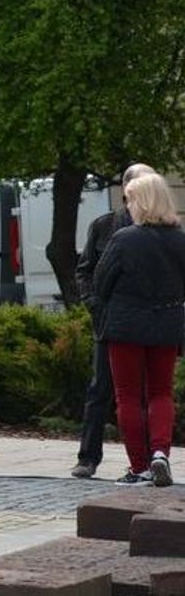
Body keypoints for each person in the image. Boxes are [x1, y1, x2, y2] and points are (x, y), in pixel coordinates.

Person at [93, 172, 183, 488]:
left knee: (128, 396)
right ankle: (160, 452)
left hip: (126, 325)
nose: (128, 206)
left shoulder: (124, 239)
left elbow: (101, 283)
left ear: (140, 202)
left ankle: (140, 467)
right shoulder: (180, 240)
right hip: (168, 324)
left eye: (130, 200)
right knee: (161, 392)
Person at [70, 163, 157, 480]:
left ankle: (148, 460)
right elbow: (84, 271)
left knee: (146, 393)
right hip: (109, 323)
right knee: (100, 391)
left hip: (147, 324)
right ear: (126, 190)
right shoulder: (104, 225)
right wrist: (94, 305)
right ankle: (88, 457)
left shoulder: (159, 229)